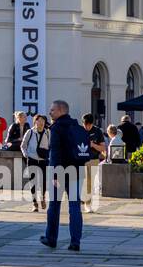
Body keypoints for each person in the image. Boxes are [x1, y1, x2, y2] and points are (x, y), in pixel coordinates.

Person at [41, 100, 87, 252]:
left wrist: (54, 173)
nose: (50, 113)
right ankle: (75, 242)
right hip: (77, 170)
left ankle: (51, 238)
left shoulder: (57, 128)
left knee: (54, 205)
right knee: (75, 206)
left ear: (61, 111)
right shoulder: (78, 127)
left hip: (60, 171)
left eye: (52, 110)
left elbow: (55, 152)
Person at [21, 113, 49, 211]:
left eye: (42, 120)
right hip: (32, 159)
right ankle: (34, 203)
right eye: (38, 120)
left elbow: (51, 146)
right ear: (35, 122)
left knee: (43, 181)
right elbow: (23, 145)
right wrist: (26, 154)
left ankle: (43, 198)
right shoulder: (30, 132)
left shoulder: (48, 133)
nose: (40, 122)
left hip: (43, 160)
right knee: (32, 181)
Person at [81, 112, 106, 210]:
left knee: (89, 182)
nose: (87, 127)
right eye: (85, 125)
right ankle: (82, 198)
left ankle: (88, 203)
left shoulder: (97, 131)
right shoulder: (78, 131)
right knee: (81, 182)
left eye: (89, 125)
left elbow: (103, 148)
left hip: (93, 160)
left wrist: (93, 145)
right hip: (80, 160)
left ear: (92, 123)